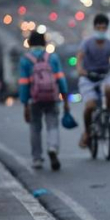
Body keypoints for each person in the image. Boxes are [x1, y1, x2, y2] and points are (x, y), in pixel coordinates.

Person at [18, 31, 69, 170]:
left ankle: (37, 159)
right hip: (52, 97)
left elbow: (24, 84)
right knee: (52, 124)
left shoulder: (25, 60)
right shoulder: (52, 58)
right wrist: (65, 99)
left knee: (35, 128)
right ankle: (52, 147)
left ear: (29, 43)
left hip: (34, 100)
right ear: (45, 43)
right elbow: (61, 79)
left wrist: (25, 104)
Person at [76, 13, 110, 148]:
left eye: (104, 28)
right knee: (90, 106)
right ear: (94, 28)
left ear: (107, 29)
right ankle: (87, 132)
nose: (101, 30)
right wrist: (80, 69)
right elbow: (80, 58)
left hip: (105, 75)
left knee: (109, 90)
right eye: (98, 28)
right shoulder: (87, 42)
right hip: (88, 77)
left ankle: (107, 117)